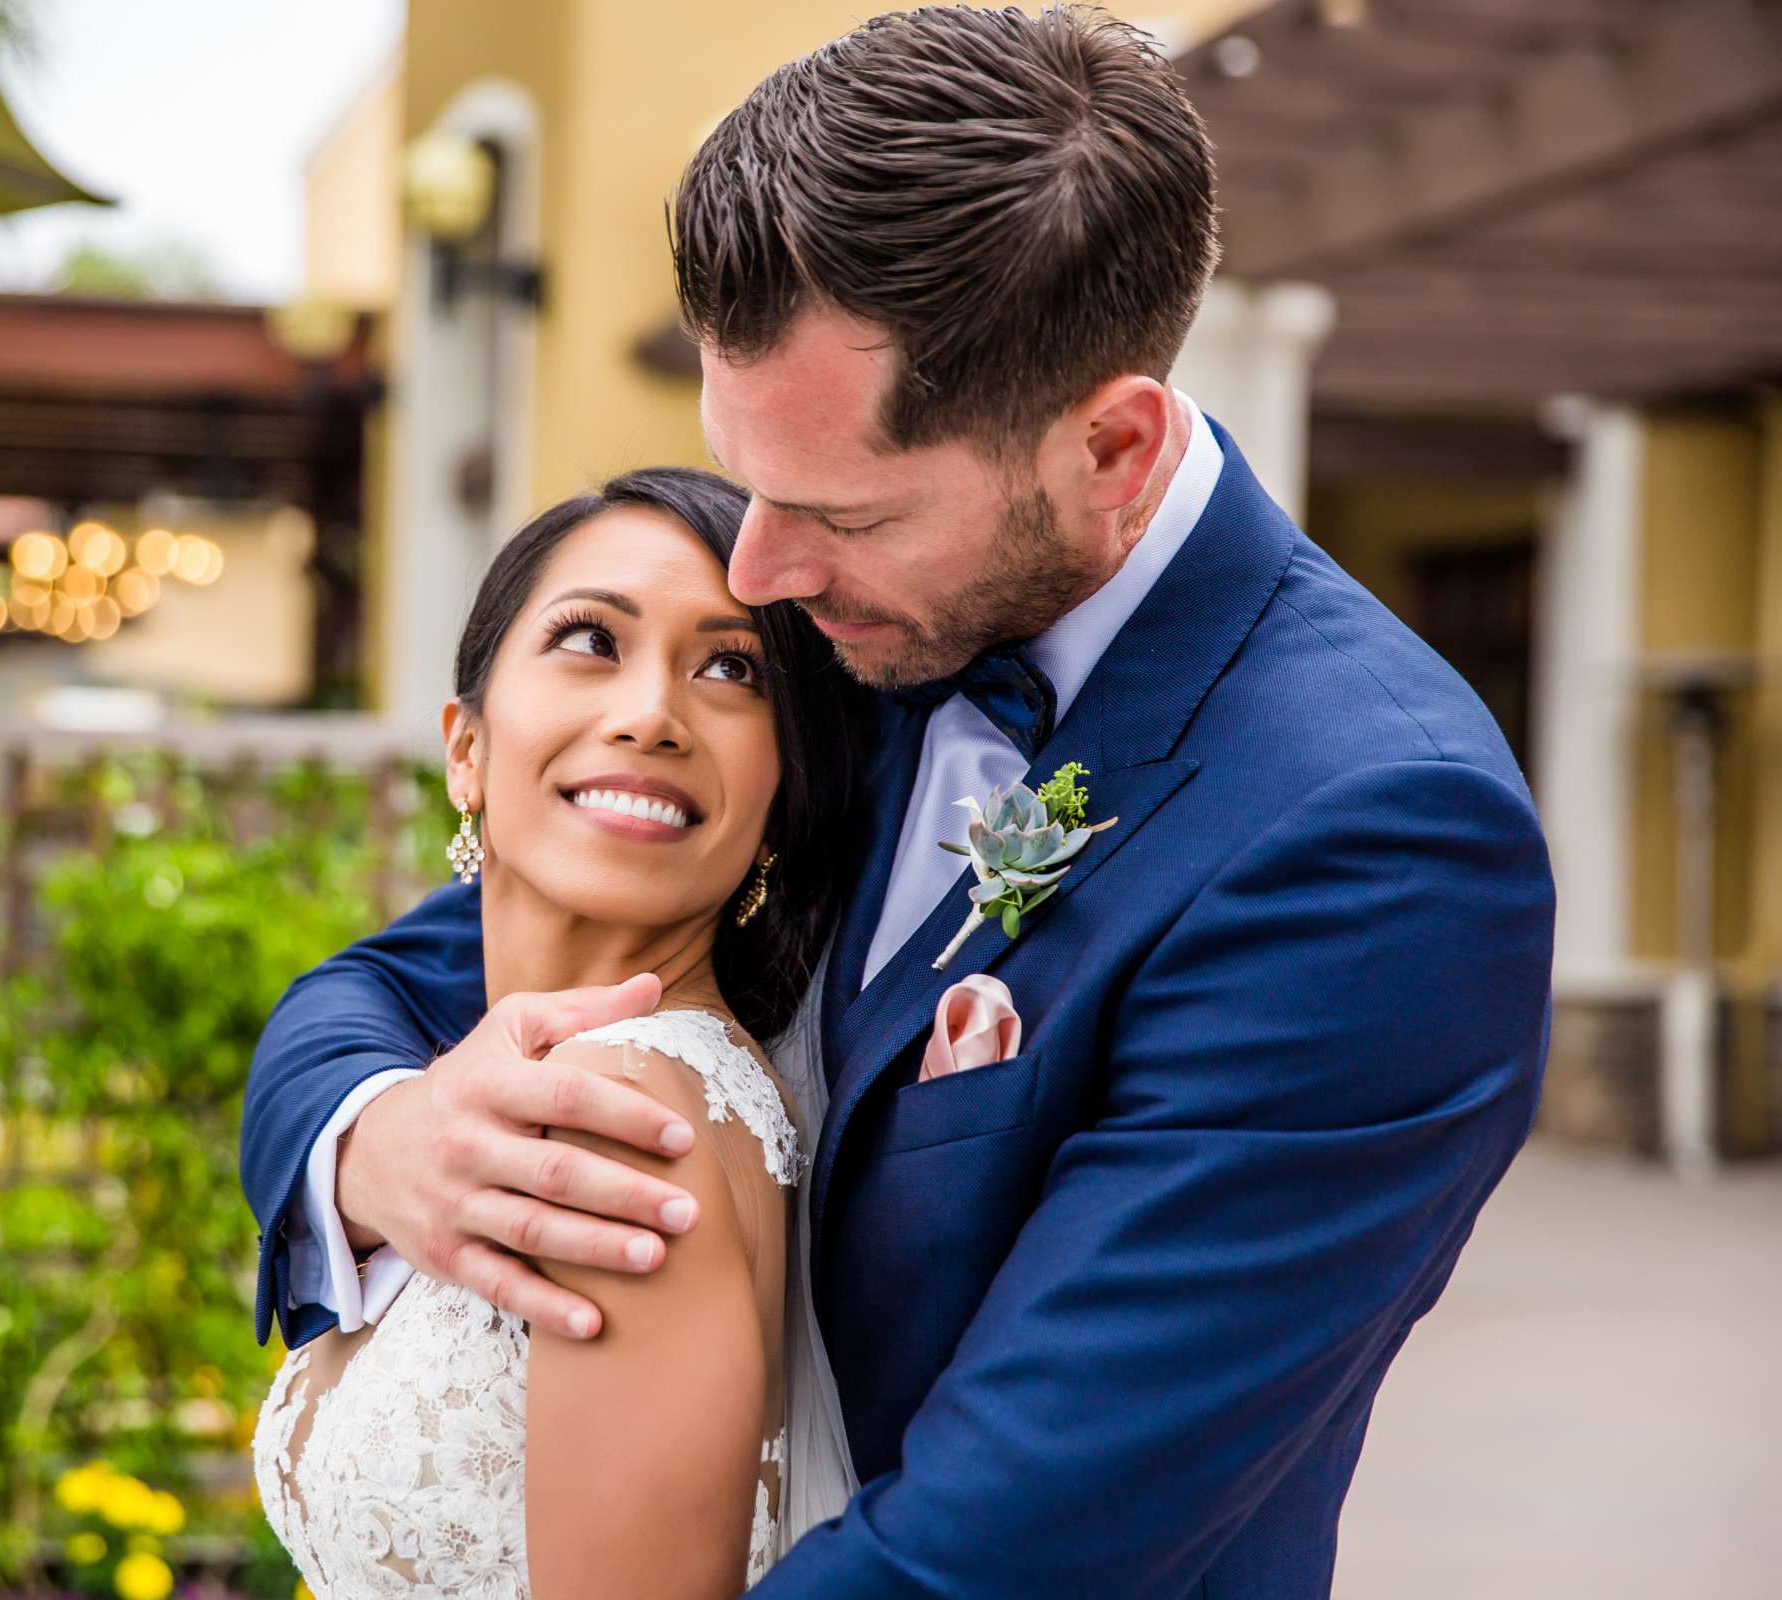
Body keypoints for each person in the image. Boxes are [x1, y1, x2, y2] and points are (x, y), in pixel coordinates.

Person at [243, 9, 1556, 1595]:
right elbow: (402, 975)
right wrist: (372, 1141)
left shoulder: (1376, 839)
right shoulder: (851, 625)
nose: (759, 575)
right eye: (748, 476)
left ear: (1114, 446)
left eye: (837, 512)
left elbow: (1009, 1542)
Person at [248, 467, 866, 1597]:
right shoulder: (519, 1078)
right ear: (466, 749)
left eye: (731, 668)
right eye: (591, 639)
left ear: (780, 789)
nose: (650, 714)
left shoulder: (625, 1117)